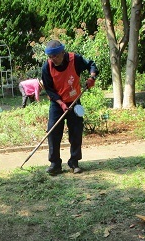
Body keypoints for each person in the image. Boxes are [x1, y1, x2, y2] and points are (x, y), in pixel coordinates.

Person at [41, 40, 98, 175]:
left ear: (62, 52)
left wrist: (92, 78)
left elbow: (92, 65)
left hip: (74, 102)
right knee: (53, 132)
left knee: (76, 132)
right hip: (57, 103)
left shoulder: (75, 59)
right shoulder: (47, 67)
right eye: (50, 57)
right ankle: (55, 164)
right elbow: (48, 89)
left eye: (55, 56)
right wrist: (60, 103)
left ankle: (74, 162)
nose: (53, 59)